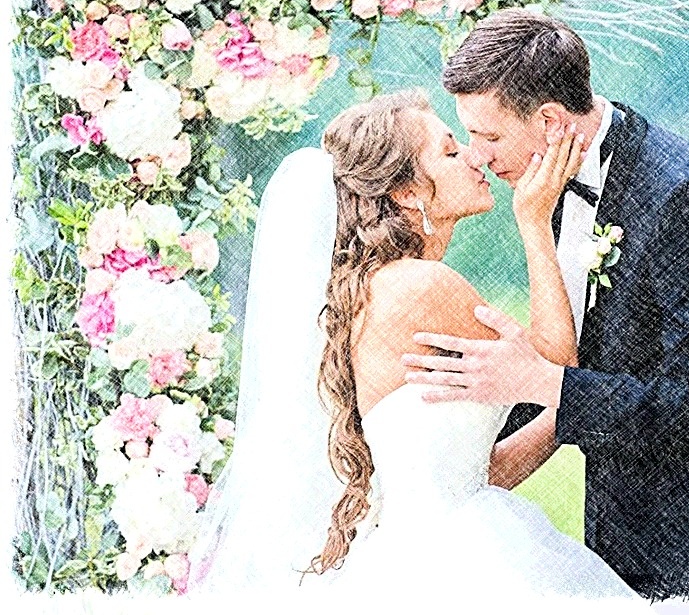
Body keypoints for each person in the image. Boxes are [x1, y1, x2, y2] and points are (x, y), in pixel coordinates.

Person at [404, 8, 689, 601]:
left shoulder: (684, 196)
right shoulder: (547, 186)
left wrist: (546, 382)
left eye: (489, 136)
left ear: (550, 121)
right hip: (620, 546)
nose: (478, 156)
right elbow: (579, 358)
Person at [186, 89, 653, 610]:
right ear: (408, 192)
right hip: (455, 565)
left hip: (425, 551)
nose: (475, 157)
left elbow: (477, 473)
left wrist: (579, 406)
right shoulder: (420, 287)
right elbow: (553, 366)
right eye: (451, 152)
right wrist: (534, 221)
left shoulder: (379, 289)